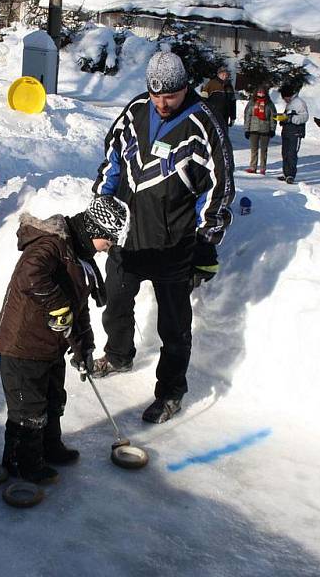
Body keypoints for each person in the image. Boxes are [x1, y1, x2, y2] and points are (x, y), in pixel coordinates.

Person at [91, 51, 235, 424]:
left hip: (175, 241)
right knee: (117, 301)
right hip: (128, 233)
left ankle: (171, 392)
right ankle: (119, 355)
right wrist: (104, 203)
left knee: (173, 325)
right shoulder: (136, 110)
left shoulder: (204, 124)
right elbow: (112, 160)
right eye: (155, 95)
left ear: (184, 88)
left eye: (169, 96)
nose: (161, 103)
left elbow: (218, 188)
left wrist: (206, 241)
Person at [0, 196, 129, 484]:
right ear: (94, 230)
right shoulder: (51, 245)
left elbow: (79, 308)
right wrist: (58, 306)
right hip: (23, 343)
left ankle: (49, 447)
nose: (110, 247)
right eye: (110, 240)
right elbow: (29, 276)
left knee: (53, 400)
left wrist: (85, 347)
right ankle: (21, 462)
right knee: (28, 408)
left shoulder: (79, 255)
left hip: (49, 345)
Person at [277, 84, 309, 184]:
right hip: (287, 132)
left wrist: (290, 119)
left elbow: (305, 117)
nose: (284, 100)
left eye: (284, 98)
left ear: (288, 95)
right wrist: (282, 119)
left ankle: (291, 174)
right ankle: (286, 173)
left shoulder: (299, 103)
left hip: (296, 132)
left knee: (292, 154)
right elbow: (288, 116)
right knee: (285, 153)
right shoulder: (290, 103)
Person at [243, 85, 276, 175]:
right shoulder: (251, 103)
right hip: (253, 129)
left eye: (262, 92)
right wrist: (247, 129)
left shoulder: (269, 104)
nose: (261, 94)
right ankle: (253, 167)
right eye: (259, 92)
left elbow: (273, 117)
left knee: (264, 150)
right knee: (254, 150)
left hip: (265, 130)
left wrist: (272, 129)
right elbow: (247, 116)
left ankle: (262, 168)